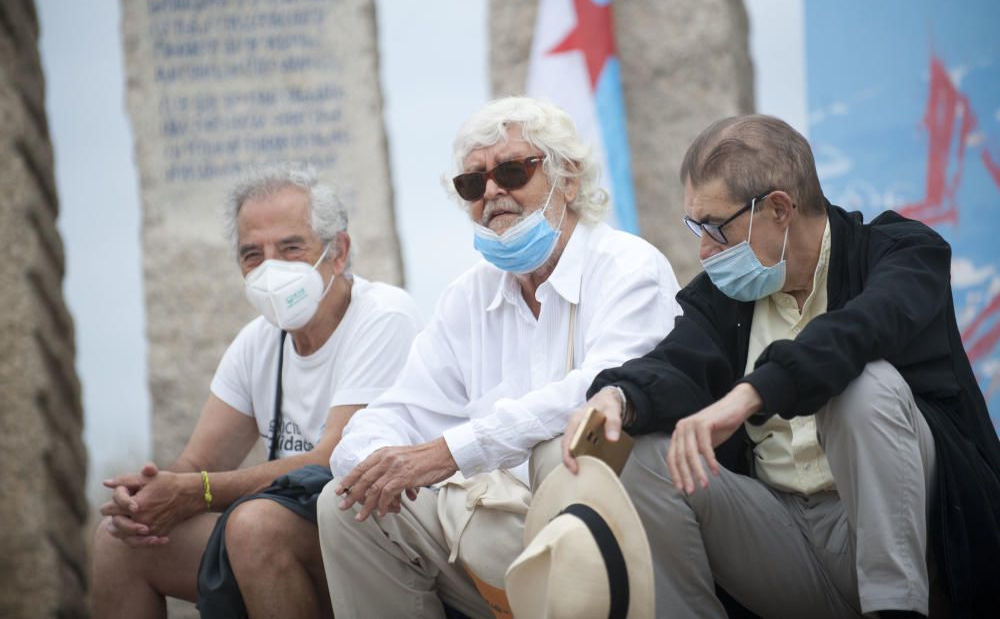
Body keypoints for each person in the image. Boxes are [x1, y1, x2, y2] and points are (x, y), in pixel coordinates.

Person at [564, 114, 1000, 618]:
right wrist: (615, 397)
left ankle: (895, 610)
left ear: (778, 208)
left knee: (864, 386)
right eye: (694, 227)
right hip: (782, 535)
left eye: (714, 228)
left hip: (909, 541)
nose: (703, 250)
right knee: (640, 452)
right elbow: (675, 363)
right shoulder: (723, 297)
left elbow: (855, 332)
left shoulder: (903, 253)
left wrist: (750, 393)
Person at [317, 96, 682, 619]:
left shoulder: (628, 266)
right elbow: (399, 409)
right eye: (472, 183)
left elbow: (602, 389)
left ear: (569, 179)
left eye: (512, 171)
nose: (492, 192)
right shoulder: (468, 295)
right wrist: (371, 465)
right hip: (491, 529)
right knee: (345, 504)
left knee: (559, 453)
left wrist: (450, 452)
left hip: (607, 535)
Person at [91, 164, 422, 619]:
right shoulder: (258, 341)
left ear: (338, 251)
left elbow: (334, 461)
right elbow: (196, 465)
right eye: (253, 254)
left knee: (254, 526)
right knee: (121, 535)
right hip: (294, 532)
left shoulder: (385, 316)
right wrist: (150, 494)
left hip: (376, 543)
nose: (271, 269)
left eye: (290, 248)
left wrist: (197, 491)